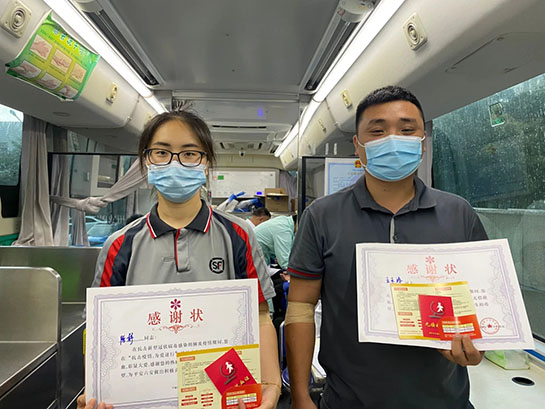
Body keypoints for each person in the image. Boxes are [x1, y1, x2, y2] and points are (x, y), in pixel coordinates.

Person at [285, 86, 487, 409]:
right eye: (378, 131)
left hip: (444, 401)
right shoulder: (321, 216)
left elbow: (483, 302)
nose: (393, 140)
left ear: (423, 142)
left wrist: (480, 345)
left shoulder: (458, 213)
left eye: (407, 130)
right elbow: (300, 308)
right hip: (348, 402)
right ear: (358, 146)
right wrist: (299, 395)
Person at [78, 111, 281, 409]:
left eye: (189, 153)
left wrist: (272, 384)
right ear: (146, 162)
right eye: (161, 152)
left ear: (206, 163)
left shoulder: (238, 235)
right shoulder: (119, 245)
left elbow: (260, 316)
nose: (174, 163)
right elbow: (99, 330)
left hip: (221, 394)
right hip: (142, 398)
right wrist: (97, 388)